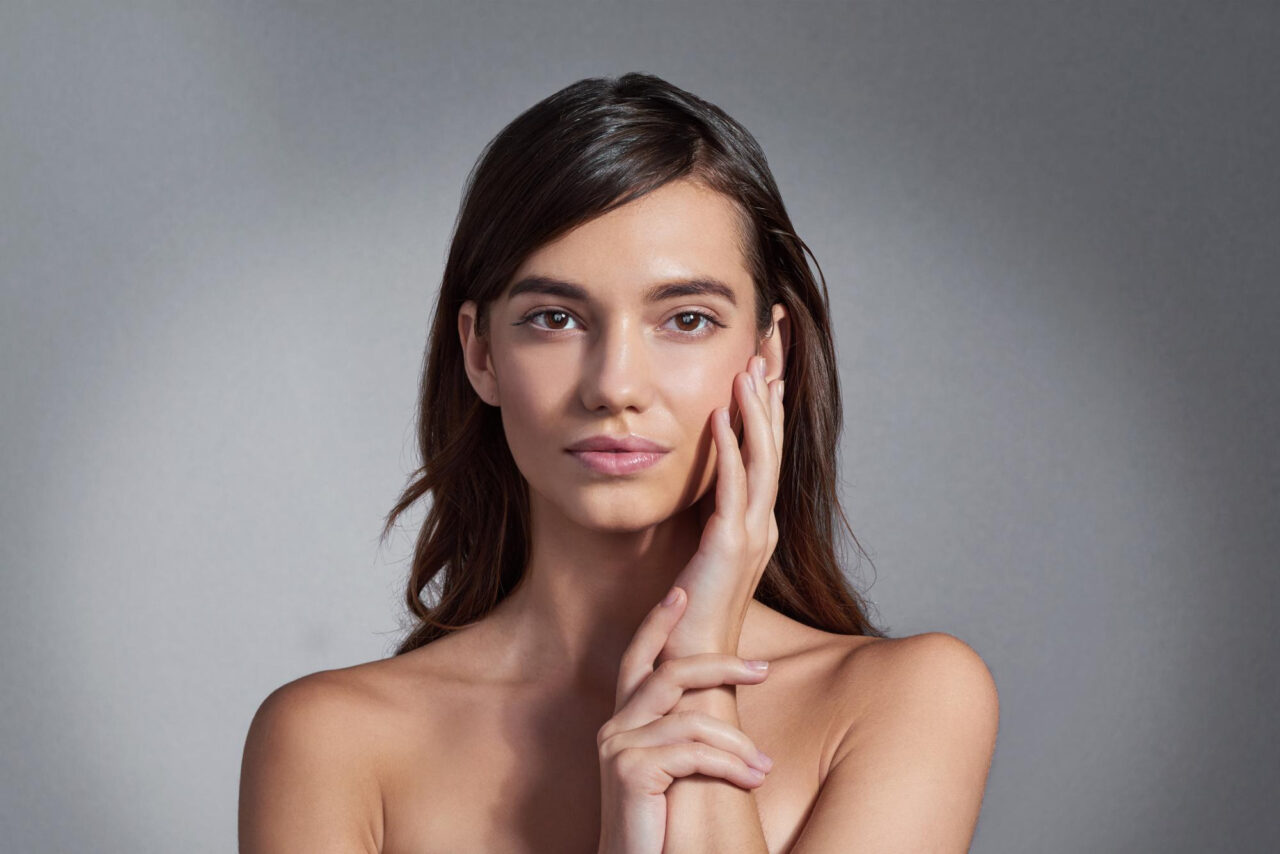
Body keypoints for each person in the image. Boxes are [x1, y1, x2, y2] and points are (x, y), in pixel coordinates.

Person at [238, 72, 999, 853]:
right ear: (480, 352)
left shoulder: (907, 701)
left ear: (769, 353)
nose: (615, 386)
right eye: (556, 318)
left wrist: (699, 671)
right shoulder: (330, 742)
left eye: (687, 319)